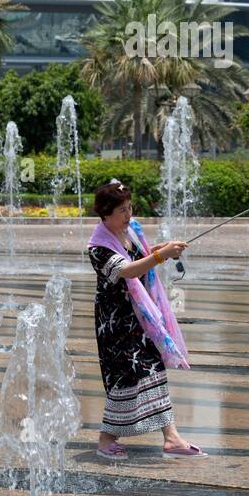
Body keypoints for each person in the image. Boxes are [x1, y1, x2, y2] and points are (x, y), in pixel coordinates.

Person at [87, 181, 206, 460]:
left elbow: (141, 256)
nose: (128, 215)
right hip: (116, 325)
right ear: (105, 214)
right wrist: (159, 256)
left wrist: (161, 249)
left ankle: (171, 437)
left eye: (129, 208)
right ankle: (106, 439)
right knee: (126, 377)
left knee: (152, 367)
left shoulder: (130, 231)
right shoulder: (97, 247)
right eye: (121, 210)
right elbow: (127, 270)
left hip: (139, 318)